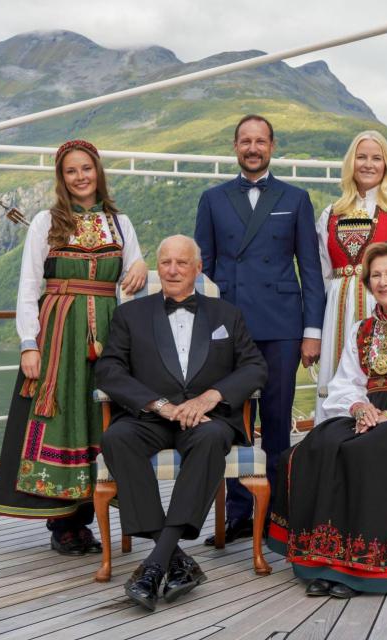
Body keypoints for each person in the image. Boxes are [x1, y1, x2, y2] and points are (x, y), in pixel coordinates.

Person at [268, 242, 387, 597]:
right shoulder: (361, 329)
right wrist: (360, 408)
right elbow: (346, 383)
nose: (383, 282)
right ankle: (325, 560)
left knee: (365, 451)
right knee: (320, 445)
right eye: (376, 275)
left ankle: (360, 567)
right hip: (368, 412)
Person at [95, 235, 268, 611]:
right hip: (151, 416)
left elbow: (255, 367)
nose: (172, 270)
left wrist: (211, 396)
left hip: (206, 418)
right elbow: (108, 370)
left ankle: (155, 564)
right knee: (116, 438)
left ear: (198, 268)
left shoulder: (227, 314)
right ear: (158, 268)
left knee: (210, 439)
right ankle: (174, 559)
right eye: (166, 263)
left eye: (182, 263)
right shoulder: (130, 315)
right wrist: (158, 405)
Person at [0, 139, 148, 555]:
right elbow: (29, 286)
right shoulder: (46, 222)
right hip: (59, 332)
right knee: (62, 417)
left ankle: (91, 514)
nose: (81, 177)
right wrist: (29, 343)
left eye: (86, 168)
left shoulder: (120, 223)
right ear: (62, 178)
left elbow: (133, 276)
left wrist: (140, 263)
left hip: (109, 332)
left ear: (98, 172)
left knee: (100, 417)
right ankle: (63, 523)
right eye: (71, 171)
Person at [195, 114, 326, 544]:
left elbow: (310, 270)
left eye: (260, 141)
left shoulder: (296, 198)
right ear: (235, 146)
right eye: (245, 141)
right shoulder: (212, 199)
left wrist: (312, 330)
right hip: (227, 324)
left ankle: (277, 515)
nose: (253, 148)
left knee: (276, 419)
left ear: (272, 146)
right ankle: (237, 513)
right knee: (230, 418)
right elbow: (203, 269)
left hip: (282, 324)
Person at [315, 130, 387, 422]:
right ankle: (334, 435)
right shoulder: (331, 213)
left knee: (380, 374)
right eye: (361, 157)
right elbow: (320, 272)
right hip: (338, 307)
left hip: (384, 304)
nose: (368, 164)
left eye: (376, 158)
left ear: (386, 165)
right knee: (339, 376)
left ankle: (381, 427)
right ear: (351, 163)